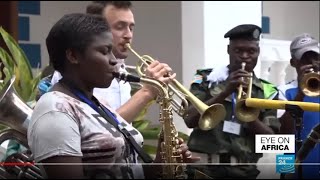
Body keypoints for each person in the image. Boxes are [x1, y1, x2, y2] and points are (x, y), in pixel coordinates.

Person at [27, 13, 198, 179]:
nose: (114, 60)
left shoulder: (97, 103)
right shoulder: (55, 111)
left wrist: (160, 165)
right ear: (73, 55)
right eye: (104, 51)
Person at [183, 24, 281, 179]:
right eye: (238, 50)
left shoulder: (268, 90)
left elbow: (270, 141)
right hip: (203, 169)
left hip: (243, 171)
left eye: (251, 51)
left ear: (258, 53)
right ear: (228, 50)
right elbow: (189, 120)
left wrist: (249, 115)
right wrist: (225, 92)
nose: (244, 56)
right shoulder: (205, 79)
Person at [50, 1, 173, 124]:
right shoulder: (82, 73)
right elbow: (99, 128)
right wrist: (146, 92)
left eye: (131, 28)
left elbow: (122, 131)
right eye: (120, 27)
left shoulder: (121, 72)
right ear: (97, 30)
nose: (128, 35)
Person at [277, 33, 320, 179]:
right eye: (304, 58)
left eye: (315, 57)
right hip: (293, 169)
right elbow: (282, 136)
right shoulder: (283, 91)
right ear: (293, 62)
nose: (311, 62)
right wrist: (302, 90)